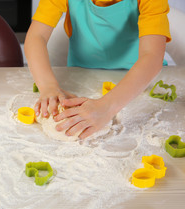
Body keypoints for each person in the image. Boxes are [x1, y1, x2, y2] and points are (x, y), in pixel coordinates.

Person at [24, 0, 171, 139]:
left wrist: (107, 107)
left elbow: (152, 56)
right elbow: (37, 36)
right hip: (82, 75)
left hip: (139, 81)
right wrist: (48, 86)